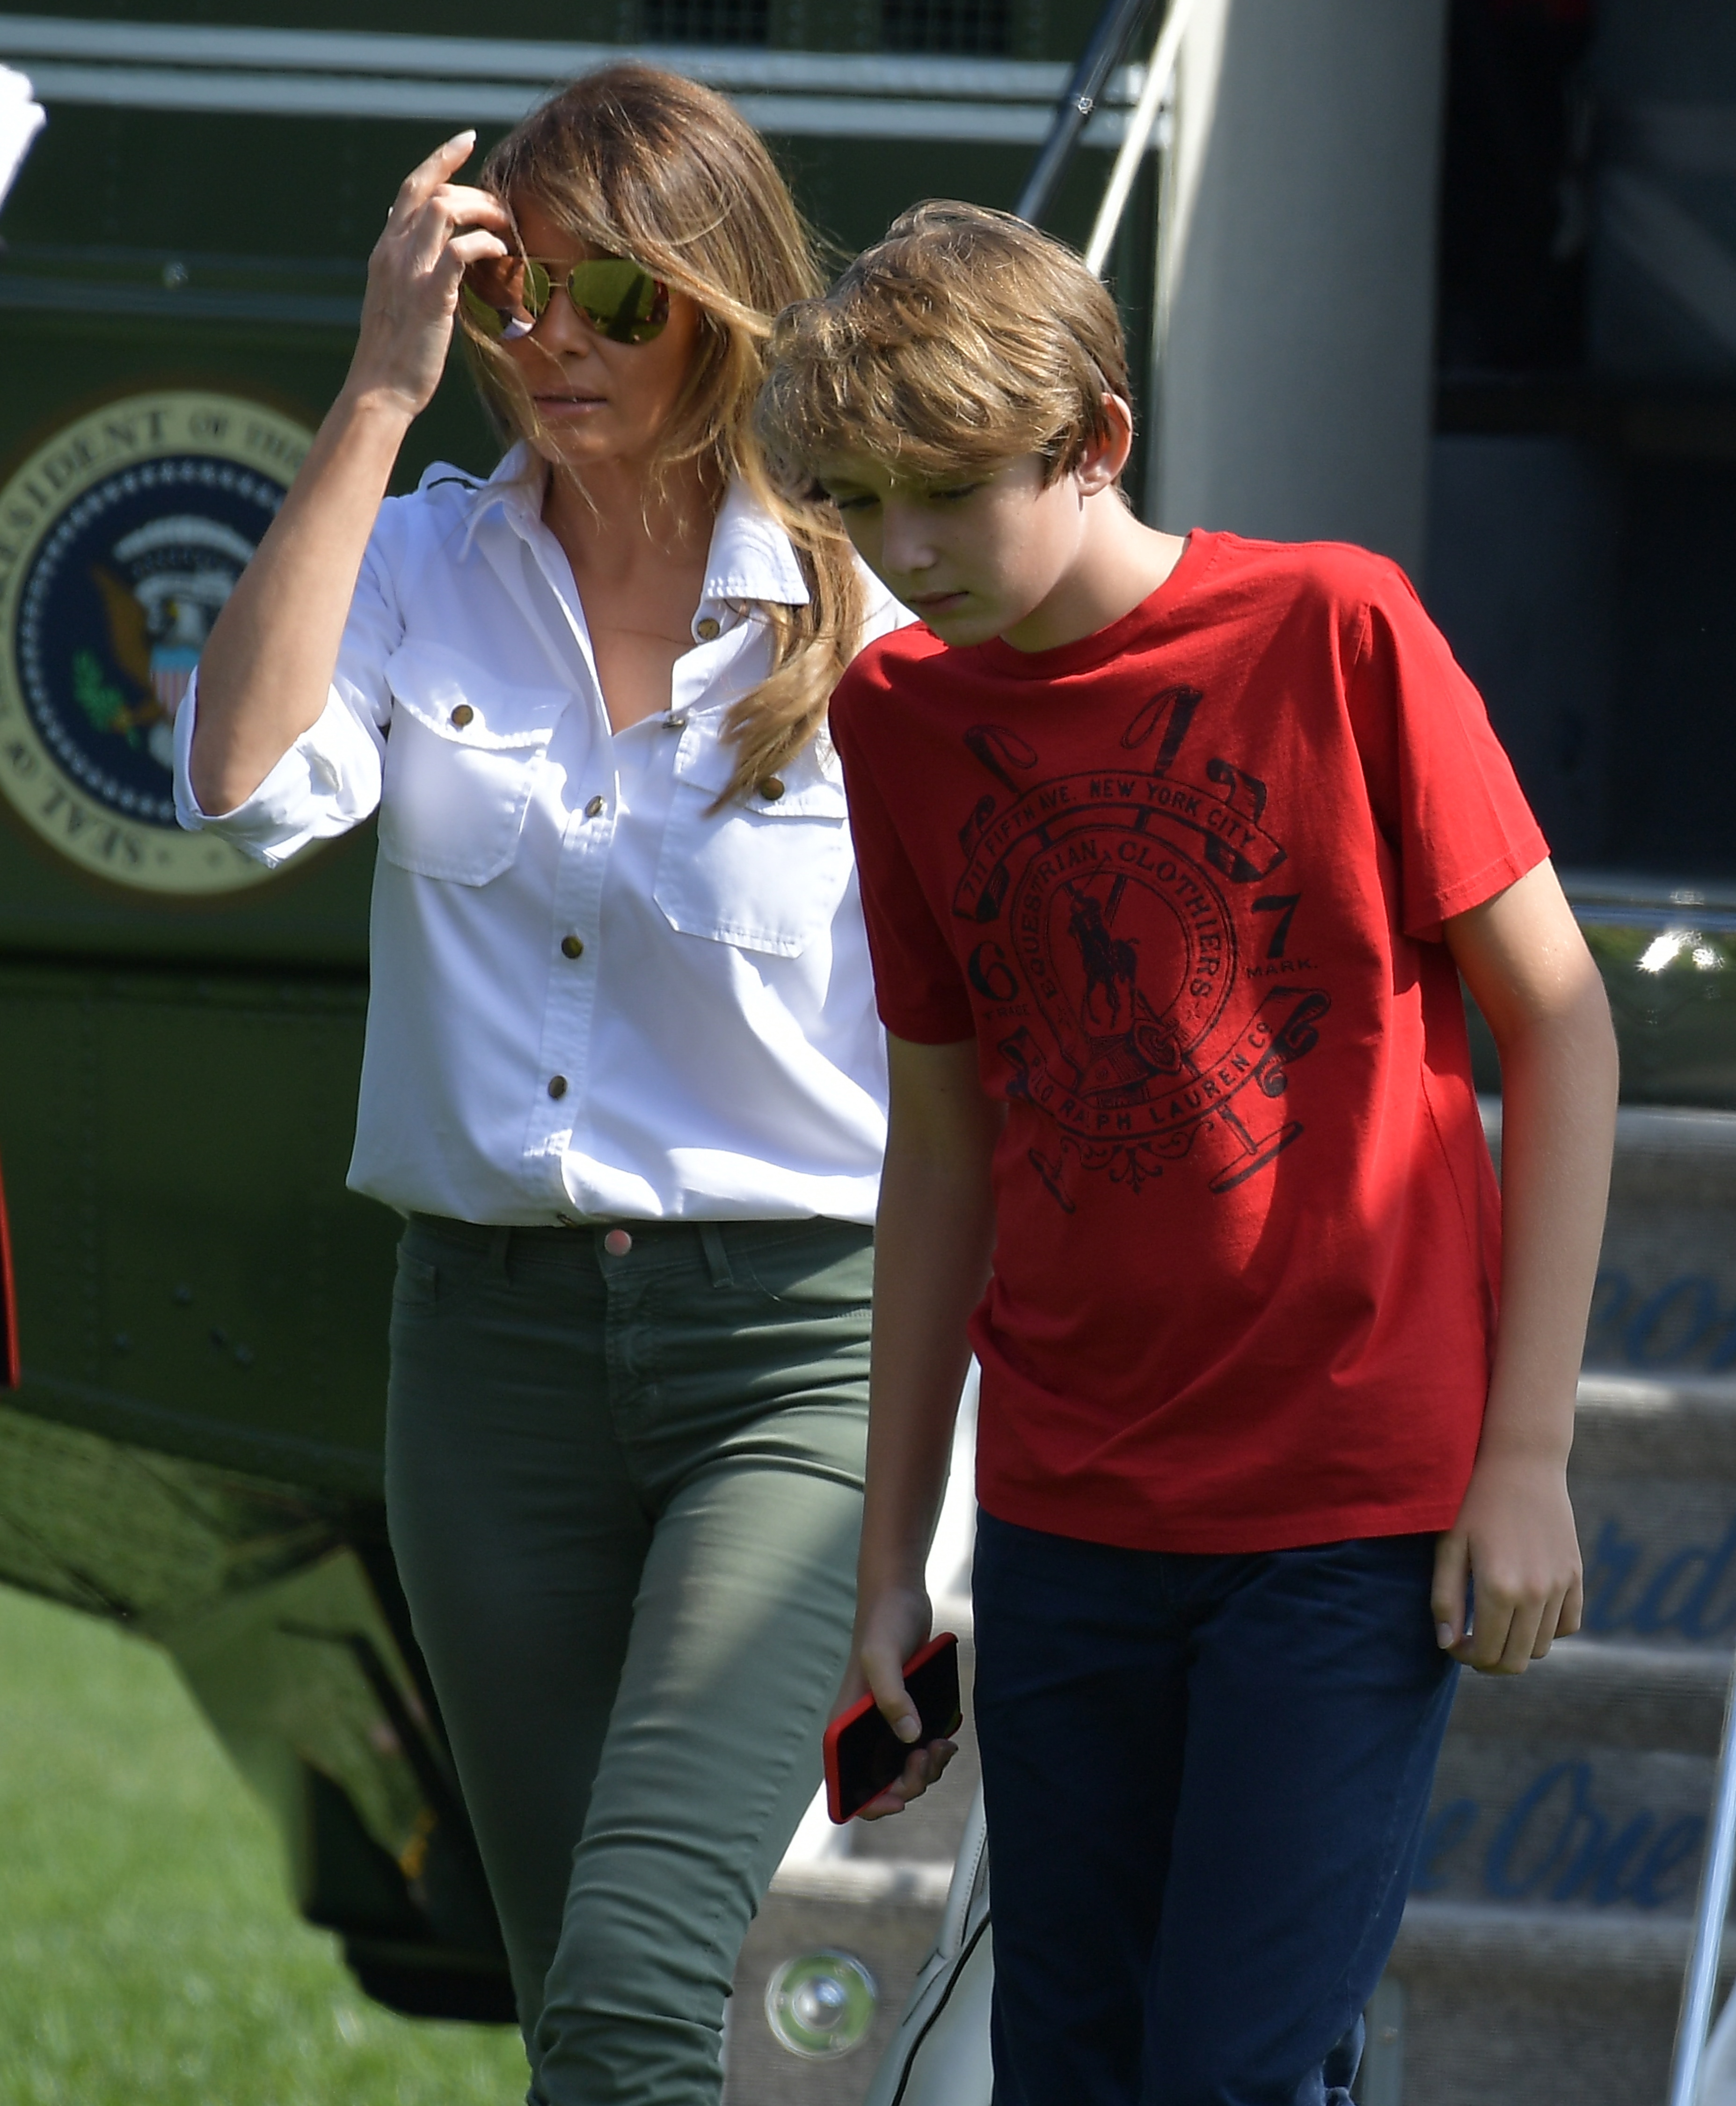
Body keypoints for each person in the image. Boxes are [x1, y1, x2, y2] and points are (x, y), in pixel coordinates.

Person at [756, 200, 1619, 2106]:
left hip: (1344, 1505)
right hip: (1066, 1518)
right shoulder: (896, 715)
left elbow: (1559, 1020)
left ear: (1095, 440)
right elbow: (942, 1148)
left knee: (1233, 2071)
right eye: (854, 498)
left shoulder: (1336, 625)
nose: (898, 552)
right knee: (1068, 2062)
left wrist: (1530, 1451)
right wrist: (894, 1561)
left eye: (945, 493)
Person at [175, 66, 919, 2106]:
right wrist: (372, 395)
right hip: (480, 1359)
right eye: (519, 293)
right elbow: (232, 790)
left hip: (793, 1357)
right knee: (577, 2014)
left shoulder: (872, 617)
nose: (556, 339)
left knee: (629, 1986)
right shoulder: (412, 556)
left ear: (724, 302)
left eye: (613, 292)